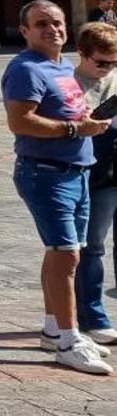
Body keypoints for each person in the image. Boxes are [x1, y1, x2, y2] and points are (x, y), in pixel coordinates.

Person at [3, 0, 113, 374]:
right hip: (47, 173)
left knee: (63, 251)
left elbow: (65, 112)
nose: (52, 30)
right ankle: (68, 340)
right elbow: (20, 122)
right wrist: (74, 130)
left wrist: (85, 121)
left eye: (57, 22)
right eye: (42, 24)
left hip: (76, 170)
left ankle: (53, 329)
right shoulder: (25, 69)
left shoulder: (60, 66)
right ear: (25, 31)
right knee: (66, 254)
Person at [76, 22, 117, 350]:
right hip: (96, 169)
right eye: (101, 62)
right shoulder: (70, 82)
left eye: (114, 63)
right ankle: (93, 316)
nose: (108, 69)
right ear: (82, 54)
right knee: (93, 245)